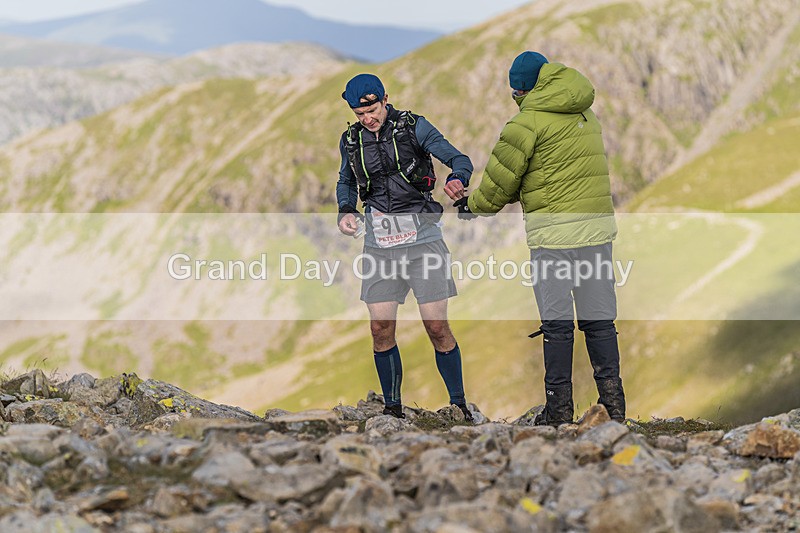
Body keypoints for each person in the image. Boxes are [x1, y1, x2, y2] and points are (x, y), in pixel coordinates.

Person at [455, 52, 626, 425]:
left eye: (515, 90)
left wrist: (471, 206)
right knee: (599, 322)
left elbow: (501, 184)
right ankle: (613, 410)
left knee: (557, 325)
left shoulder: (525, 124)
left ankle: (559, 411)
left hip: (554, 239)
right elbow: (552, 173)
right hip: (596, 232)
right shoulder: (585, 113)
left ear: (523, 89)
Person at [336, 73, 475, 421]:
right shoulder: (351, 140)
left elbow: (459, 159)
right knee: (380, 328)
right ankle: (392, 409)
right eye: (359, 113)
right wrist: (345, 210)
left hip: (423, 240)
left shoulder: (414, 127)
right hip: (379, 244)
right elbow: (345, 180)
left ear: (385, 99)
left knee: (436, 326)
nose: (367, 119)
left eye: (371, 109)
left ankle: (458, 406)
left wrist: (458, 179)